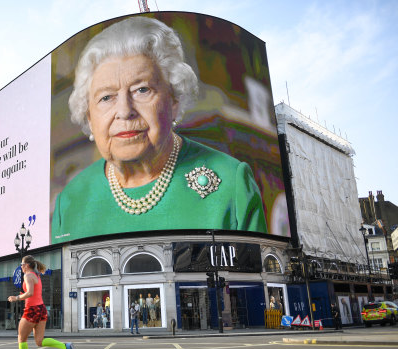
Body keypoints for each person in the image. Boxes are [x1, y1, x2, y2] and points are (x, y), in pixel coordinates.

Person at [51, 16, 267, 244]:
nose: (125, 111)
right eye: (106, 97)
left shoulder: (231, 181)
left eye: (141, 90)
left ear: (174, 100)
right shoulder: (70, 201)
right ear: (89, 117)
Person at [8, 255, 77, 349]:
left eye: (22, 264)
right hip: (41, 309)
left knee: (21, 338)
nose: (21, 267)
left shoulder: (28, 275)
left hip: (31, 310)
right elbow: (33, 292)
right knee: (39, 341)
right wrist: (24, 295)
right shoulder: (37, 276)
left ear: (27, 265)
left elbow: (30, 292)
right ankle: (66, 347)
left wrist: (17, 298)